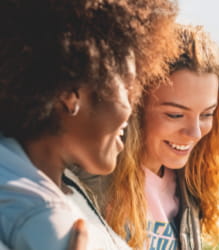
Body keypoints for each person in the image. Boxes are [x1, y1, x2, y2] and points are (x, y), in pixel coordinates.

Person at [0, 0, 177, 249]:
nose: (131, 106)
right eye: (126, 88)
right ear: (70, 95)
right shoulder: (45, 219)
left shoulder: (36, 176)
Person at [89, 24, 219, 249]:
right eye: (175, 114)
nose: (195, 133)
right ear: (134, 107)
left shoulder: (190, 187)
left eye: (206, 114)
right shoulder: (93, 179)